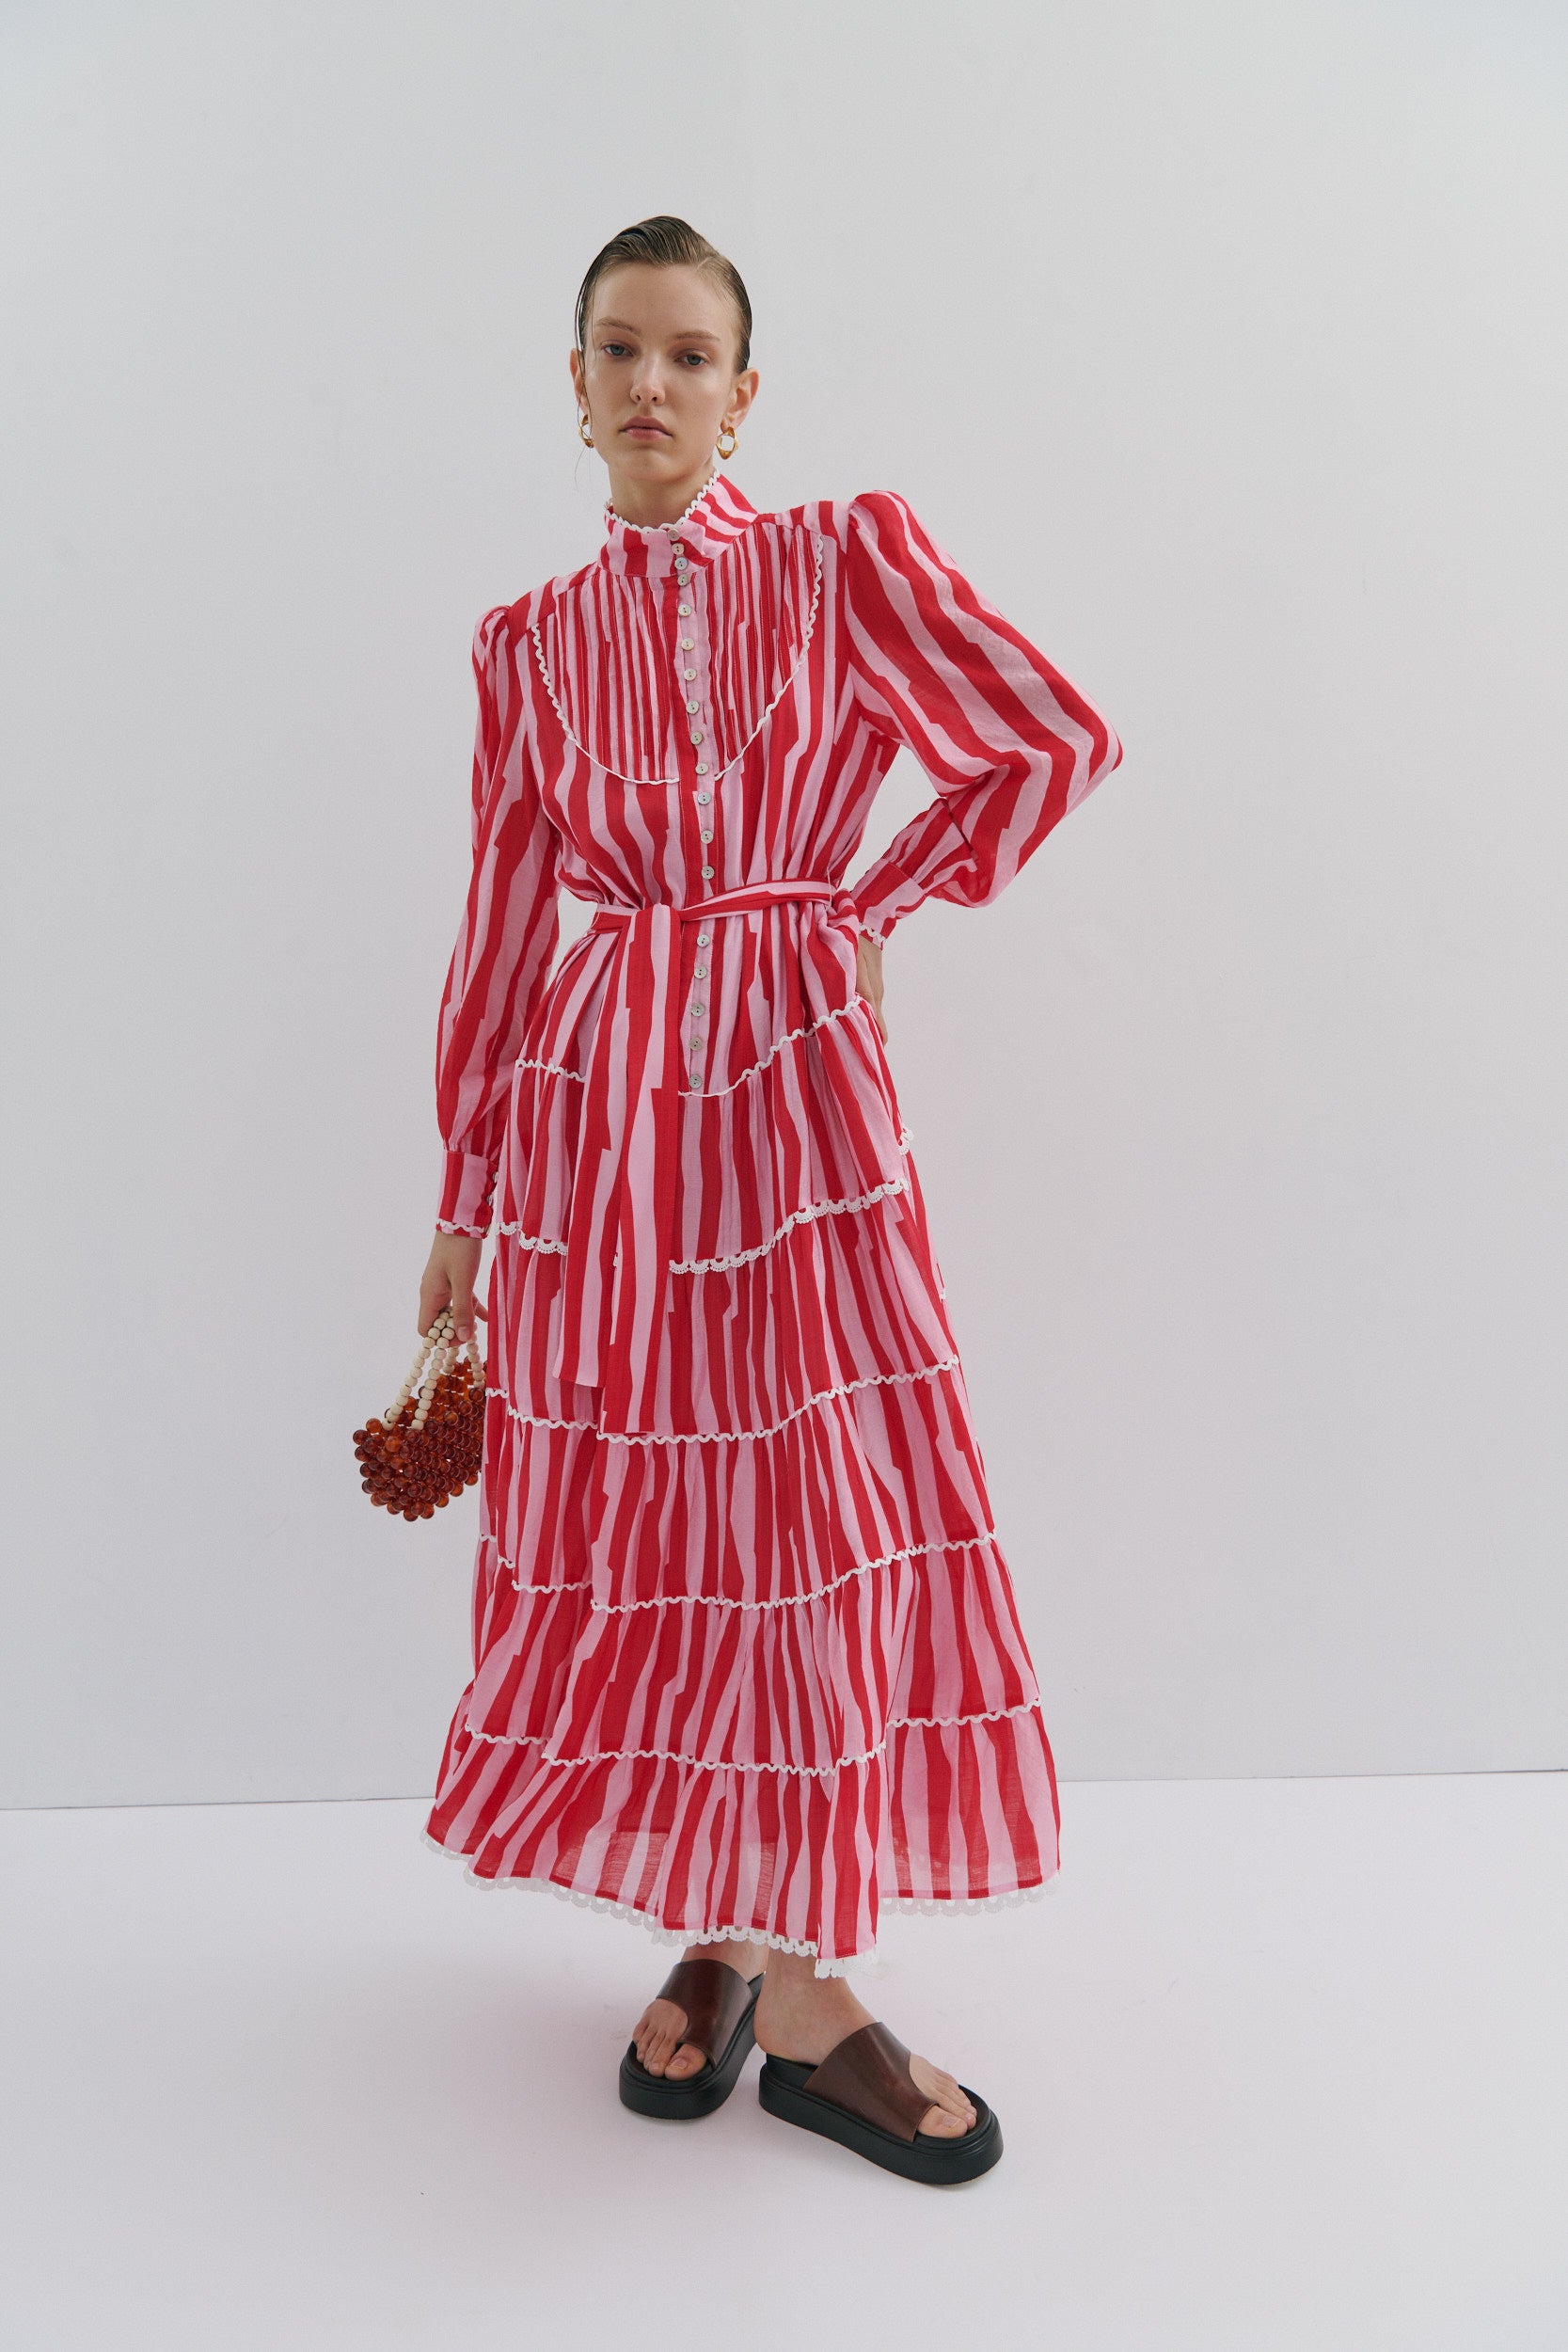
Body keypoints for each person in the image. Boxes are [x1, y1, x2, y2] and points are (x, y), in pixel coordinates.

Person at [417, 215, 1120, 2185]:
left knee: (818, 1509)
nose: (653, 383)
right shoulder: (526, 646)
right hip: (601, 1119)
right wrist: (465, 1204)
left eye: (692, 352)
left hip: (797, 1101)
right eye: (618, 349)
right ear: (572, 386)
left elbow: (1050, 738)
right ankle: (732, 1931)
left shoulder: (837, 566)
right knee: (665, 1507)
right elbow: (491, 941)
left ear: (744, 392)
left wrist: (866, 908)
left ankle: (802, 1989)